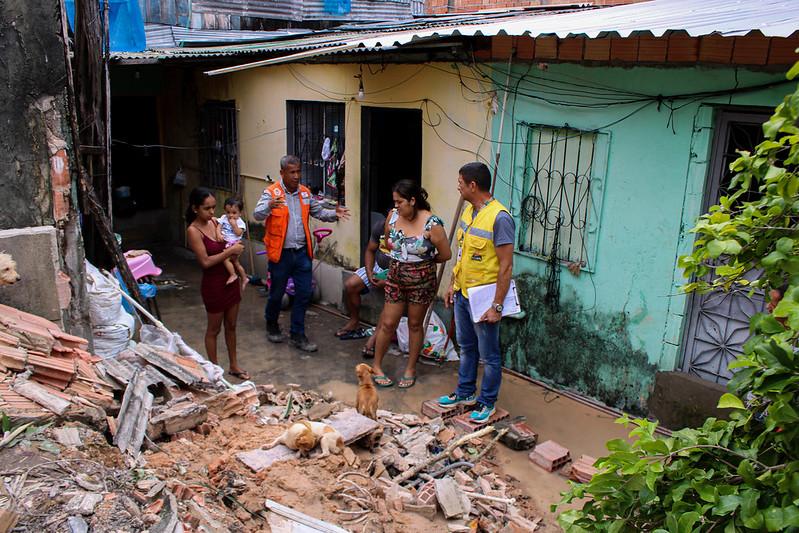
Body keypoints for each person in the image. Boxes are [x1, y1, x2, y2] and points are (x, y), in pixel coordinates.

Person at [438, 162, 515, 422]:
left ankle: (487, 402)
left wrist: (497, 306)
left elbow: (506, 266)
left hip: (484, 300)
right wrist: (451, 285)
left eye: (461, 183)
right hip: (463, 294)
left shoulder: (500, 218)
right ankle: (465, 393)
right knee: (467, 346)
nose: (458, 187)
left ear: (473, 185)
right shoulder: (468, 213)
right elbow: (462, 254)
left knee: (489, 355)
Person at [254, 155, 350, 352]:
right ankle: (271, 322)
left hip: (301, 254)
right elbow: (257, 214)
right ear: (282, 173)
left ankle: (298, 334)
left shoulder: (305, 193)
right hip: (280, 255)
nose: (297, 176)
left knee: (304, 293)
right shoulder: (272, 193)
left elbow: (319, 212)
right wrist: (268, 207)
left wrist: (334, 213)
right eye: (292, 172)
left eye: (299, 171)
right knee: (277, 293)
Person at [371, 180, 451, 388]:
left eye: (400, 202)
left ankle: (410, 368)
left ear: (413, 200)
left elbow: (446, 254)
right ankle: (377, 366)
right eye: (394, 202)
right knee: (388, 323)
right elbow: (388, 242)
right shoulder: (393, 216)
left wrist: (423, 262)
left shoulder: (432, 224)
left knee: (415, 325)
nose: (396, 206)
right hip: (395, 277)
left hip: (422, 282)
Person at [185, 187, 250, 380]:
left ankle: (234, 365)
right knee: (213, 329)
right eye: (207, 208)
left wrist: (235, 251)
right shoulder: (193, 230)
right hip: (213, 284)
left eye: (214, 207)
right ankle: (214, 370)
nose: (212, 212)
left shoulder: (216, 222)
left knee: (231, 326)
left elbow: (231, 240)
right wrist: (230, 252)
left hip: (230, 281)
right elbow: (205, 262)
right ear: (195, 208)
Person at [335, 214, 391, 358]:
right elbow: (370, 250)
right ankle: (354, 322)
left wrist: (387, 281)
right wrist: (369, 272)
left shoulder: (407, 232)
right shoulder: (380, 226)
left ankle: (373, 341)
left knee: (391, 303)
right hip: (379, 267)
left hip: (398, 272)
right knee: (350, 285)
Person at [218, 197, 249, 291]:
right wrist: (218, 234)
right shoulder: (224, 218)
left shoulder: (240, 222)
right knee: (235, 262)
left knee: (225, 259)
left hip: (234, 244)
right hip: (226, 243)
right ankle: (244, 278)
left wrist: (234, 225)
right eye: (228, 212)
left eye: (234, 213)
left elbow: (239, 233)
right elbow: (218, 226)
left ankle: (233, 275)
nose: (231, 215)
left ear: (240, 213)